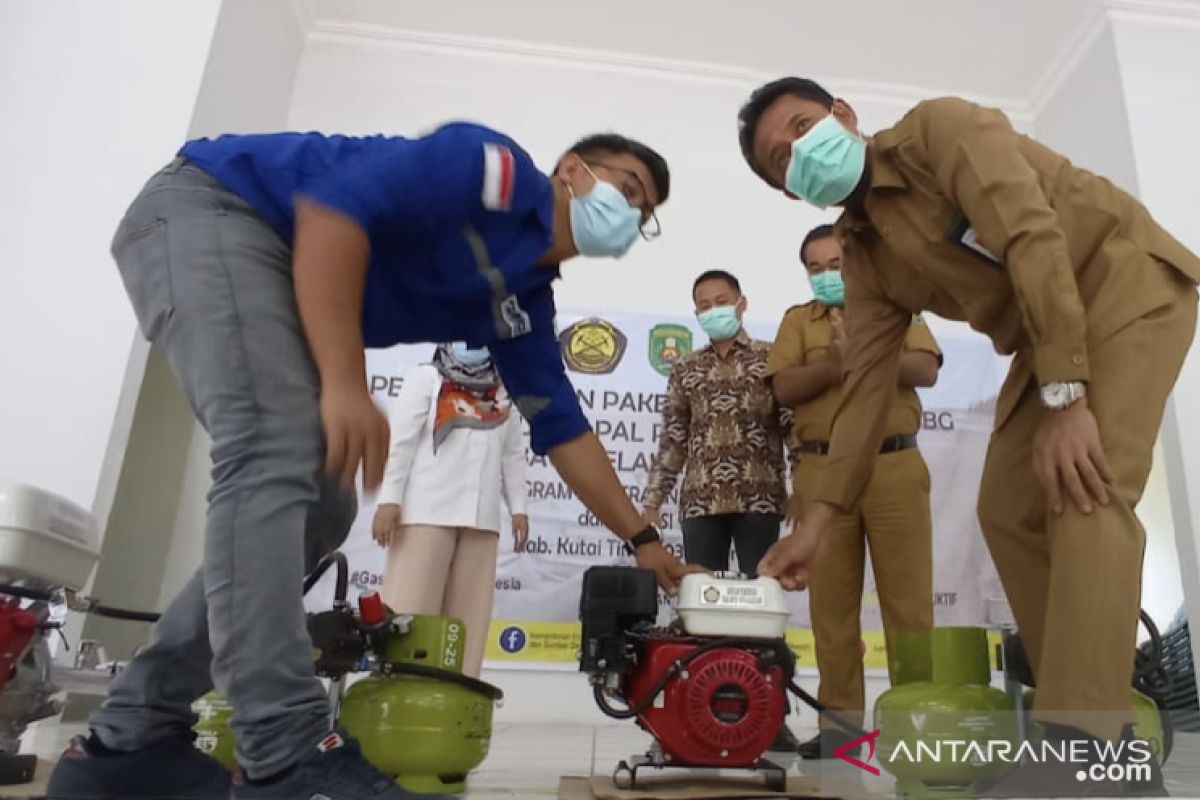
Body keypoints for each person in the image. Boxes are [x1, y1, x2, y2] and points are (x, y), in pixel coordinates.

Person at [48, 125, 695, 800]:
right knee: (276, 448)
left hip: (268, 257)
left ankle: (131, 737)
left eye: (643, 213)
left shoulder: (520, 302)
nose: (630, 213)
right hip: (217, 207)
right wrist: (345, 383)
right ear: (571, 169)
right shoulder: (495, 170)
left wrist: (643, 540)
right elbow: (334, 209)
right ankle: (284, 749)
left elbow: (563, 428)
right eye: (627, 187)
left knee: (325, 506)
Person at [738, 77, 1200, 795]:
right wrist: (818, 522)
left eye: (802, 128)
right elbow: (864, 390)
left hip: (1125, 280)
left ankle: (1083, 748)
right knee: (1005, 511)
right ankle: (1098, 750)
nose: (798, 153)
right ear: (789, 192)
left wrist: (1066, 395)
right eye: (779, 161)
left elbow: (1029, 233)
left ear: (844, 116)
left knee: (1082, 489)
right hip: (1048, 342)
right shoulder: (864, 258)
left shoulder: (939, 133)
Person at [767, 224, 940, 759]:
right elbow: (783, 387)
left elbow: (926, 369)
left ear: (857, 261)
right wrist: (834, 363)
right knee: (831, 612)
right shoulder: (799, 321)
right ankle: (843, 730)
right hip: (820, 474)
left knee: (908, 608)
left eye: (835, 263)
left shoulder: (896, 308)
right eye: (815, 268)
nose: (827, 275)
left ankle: (917, 726)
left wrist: (866, 355)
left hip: (893, 465)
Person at [642, 268, 799, 752]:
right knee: (698, 615)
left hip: (760, 499)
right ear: (696, 313)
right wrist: (651, 503)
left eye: (721, 300)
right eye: (704, 304)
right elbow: (673, 441)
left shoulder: (773, 360)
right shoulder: (686, 369)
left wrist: (806, 491)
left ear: (742, 303)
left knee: (763, 615)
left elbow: (793, 429)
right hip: (702, 502)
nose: (714, 310)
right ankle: (685, 715)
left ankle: (774, 716)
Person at [371, 343, 529, 679]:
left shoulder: (504, 390)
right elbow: (401, 444)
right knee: (411, 612)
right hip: (426, 513)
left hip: (480, 521)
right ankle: (400, 692)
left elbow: (513, 455)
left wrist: (519, 509)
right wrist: (389, 500)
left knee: (467, 625)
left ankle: (460, 695)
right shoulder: (426, 378)